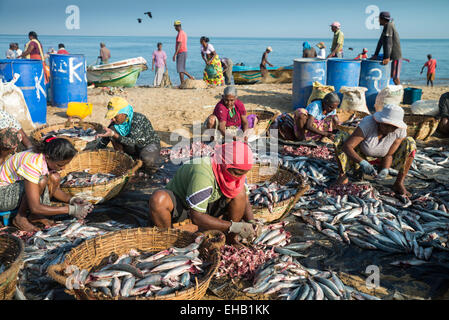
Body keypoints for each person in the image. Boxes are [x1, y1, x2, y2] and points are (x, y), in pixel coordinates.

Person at [148, 141, 257, 246]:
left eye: (242, 174)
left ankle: (230, 238)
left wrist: (252, 221)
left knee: (240, 193)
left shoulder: (238, 170)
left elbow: (245, 199)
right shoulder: (203, 172)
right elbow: (197, 216)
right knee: (158, 200)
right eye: (236, 173)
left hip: (209, 205)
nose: (238, 178)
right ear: (224, 163)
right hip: (184, 206)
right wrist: (234, 226)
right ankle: (169, 240)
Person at [0, 137, 93, 232]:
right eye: (60, 165)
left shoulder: (45, 158)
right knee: (41, 180)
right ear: (48, 157)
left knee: (54, 177)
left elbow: (54, 189)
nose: (63, 168)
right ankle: (20, 217)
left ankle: (34, 216)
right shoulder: (32, 163)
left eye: (65, 164)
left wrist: (72, 200)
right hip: (2, 196)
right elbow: (35, 207)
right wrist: (71, 210)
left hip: (14, 189)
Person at [334, 104, 415, 201]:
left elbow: (389, 154)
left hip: (382, 156)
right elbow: (347, 146)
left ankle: (399, 183)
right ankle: (343, 176)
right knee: (340, 137)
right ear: (379, 121)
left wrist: (385, 169)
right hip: (360, 154)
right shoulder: (368, 123)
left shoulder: (400, 131)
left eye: (393, 127)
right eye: (386, 125)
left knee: (410, 143)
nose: (389, 129)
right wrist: (362, 162)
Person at [94, 97, 161, 173]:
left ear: (124, 113)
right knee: (112, 132)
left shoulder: (138, 119)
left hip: (147, 146)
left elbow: (132, 142)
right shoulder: (114, 125)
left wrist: (113, 134)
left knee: (147, 160)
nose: (112, 119)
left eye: (115, 116)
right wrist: (94, 152)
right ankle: (127, 160)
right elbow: (103, 143)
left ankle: (145, 165)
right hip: (133, 149)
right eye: (111, 116)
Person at [270, 92, 340, 142]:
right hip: (306, 129)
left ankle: (319, 139)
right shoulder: (315, 106)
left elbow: (330, 124)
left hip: (318, 130)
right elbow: (308, 126)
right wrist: (326, 134)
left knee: (335, 118)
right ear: (324, 103)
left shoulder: (332, 110)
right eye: (330, 107)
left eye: (334, 107)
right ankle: (301, 139)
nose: (332, 109)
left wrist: (331, 134)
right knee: (301, 113)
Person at [371, 11, 402, 85]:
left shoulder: (389, 26)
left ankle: (401, 93)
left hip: (395, 56)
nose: (378, 20)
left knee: (395, 77)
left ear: (382, 19)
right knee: (392, 76)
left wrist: (387, 57)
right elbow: (380, 42)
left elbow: (388, 43)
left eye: (379, 19)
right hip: (391, 56)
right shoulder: (386, 26)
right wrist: (375, 54)